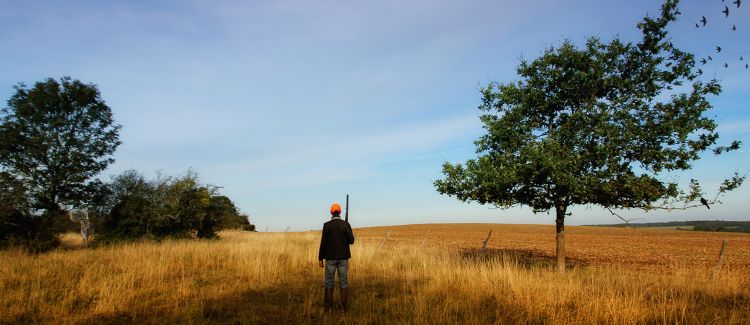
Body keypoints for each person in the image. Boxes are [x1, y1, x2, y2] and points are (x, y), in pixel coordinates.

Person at [318, 202, 355, 312]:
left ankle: (327, 308)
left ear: (331, 212)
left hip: (330, 258)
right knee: (343, 282)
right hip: (343, 258)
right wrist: (347, 229)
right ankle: (344, 308)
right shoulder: (346, 224)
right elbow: (351, 241)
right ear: (340, 212)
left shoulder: (327, 225)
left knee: (329, 282)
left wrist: (320, 258)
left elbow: (323, 243)